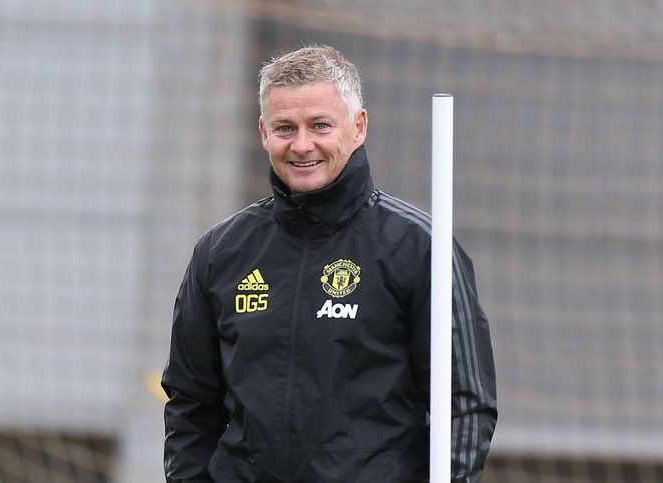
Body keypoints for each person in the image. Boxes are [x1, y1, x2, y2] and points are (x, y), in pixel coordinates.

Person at [162, 44, 497, 482]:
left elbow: (467, 404)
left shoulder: (418, 248)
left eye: (320, 125)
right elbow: (190, 403)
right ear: (263, 132)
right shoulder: (220, 252)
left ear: (359, 127)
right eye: (285, 128)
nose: (302, 145)